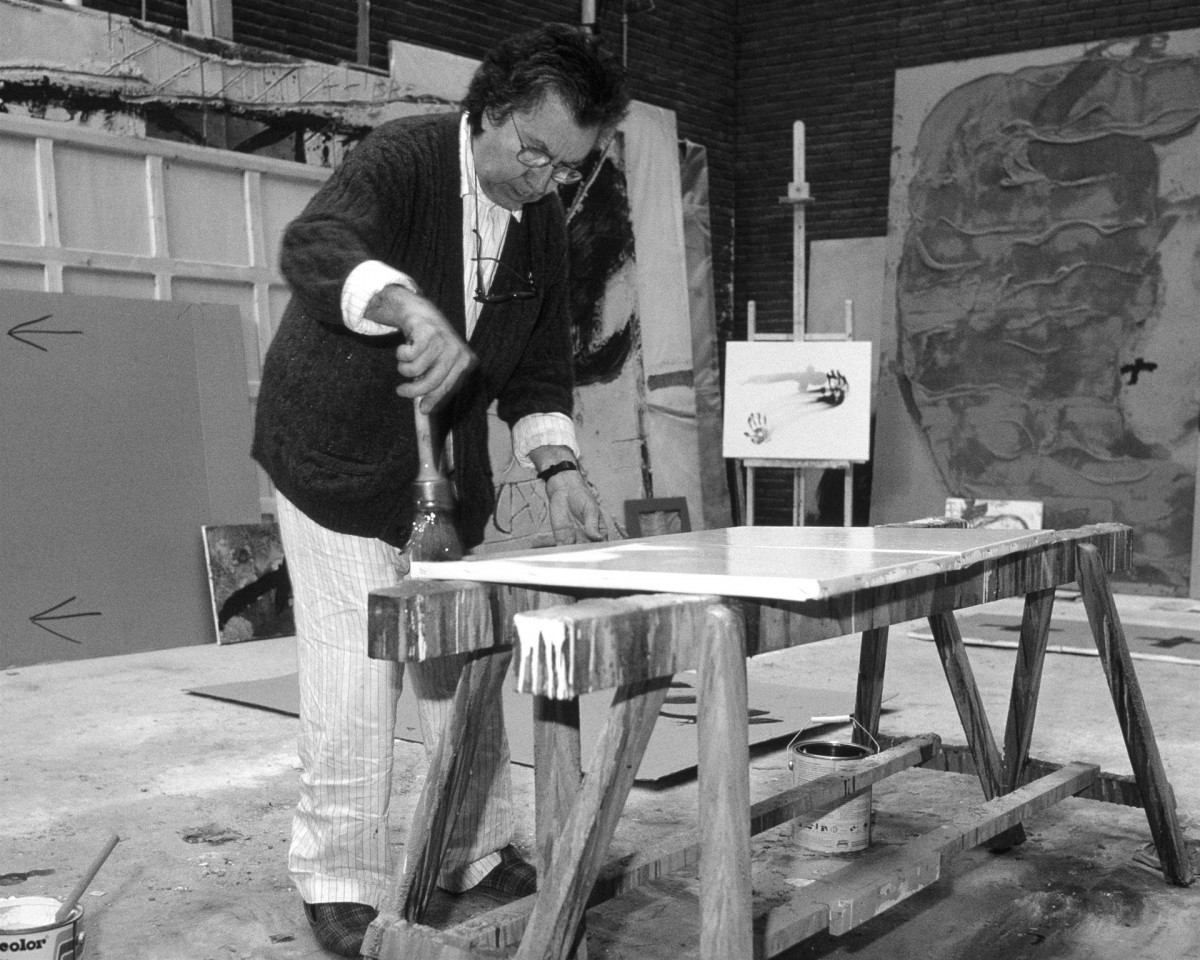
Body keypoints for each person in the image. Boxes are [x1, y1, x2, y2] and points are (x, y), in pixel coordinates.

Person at [251, 23, 629, 958]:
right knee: (358, 665)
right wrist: (406, 304)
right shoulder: (405, 159)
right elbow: (315, 245)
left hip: (436, 474)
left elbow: (538, 371)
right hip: (333, 452)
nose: (546, 179)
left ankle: (473, 850)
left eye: (568, 167)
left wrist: (561, 469)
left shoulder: (541, 220)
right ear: (491, 111)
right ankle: (338, 879)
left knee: (459, 659)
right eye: (534, 152)